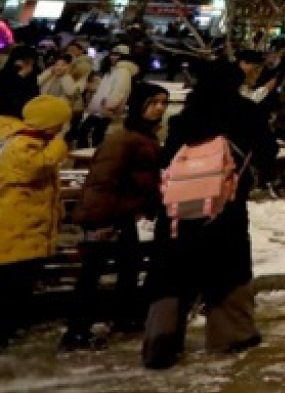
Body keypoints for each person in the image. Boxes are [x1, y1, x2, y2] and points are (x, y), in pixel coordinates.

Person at [142, 62, 274, 369]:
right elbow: (267, 151)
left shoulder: (185, 117)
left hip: (178, 211)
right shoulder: (246, 112)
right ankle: (231, 335)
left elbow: (166, 160)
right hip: (223, 209)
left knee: (170, 274)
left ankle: (161, 340)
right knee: (227, 269)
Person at [64, 83, 168, 349]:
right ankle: (77, 330)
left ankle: (125, 317)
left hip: (125, 214)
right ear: (139, 104)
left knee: (129, 267)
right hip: (108, 216)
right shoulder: (122, 139)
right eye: (153, 102)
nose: (159, 108)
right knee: (93, 273)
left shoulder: (144, 136)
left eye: (163, 103)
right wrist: (100, 220)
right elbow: (102, 180)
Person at [0, 95, 72, 345]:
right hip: (18, 226)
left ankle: (10, 325)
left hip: (24, 226)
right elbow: (35, 168)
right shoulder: (22, 144)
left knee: (19, 279)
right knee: (14, 281)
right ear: (48, 124)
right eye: (60, 124)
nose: (62, 129)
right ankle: (5, 329)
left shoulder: (26, 140)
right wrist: (59, 146)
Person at [79, 50, 140, 149]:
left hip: (105, 108)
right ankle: (91, 155)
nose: (113, 57)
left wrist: (109, 104)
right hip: (101, 107)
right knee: (94, 133)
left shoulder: (122, 71)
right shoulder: (113, 69)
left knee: (90, 132)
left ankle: (91, 156)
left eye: (117, 55)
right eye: (112, 54)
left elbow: (120, 90)